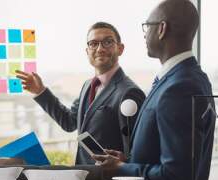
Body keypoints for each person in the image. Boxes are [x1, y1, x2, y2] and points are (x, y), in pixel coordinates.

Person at [91, 0, 215, 180]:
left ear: (162, 29)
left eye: (147, 26)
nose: (144, 34)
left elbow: (176, 179)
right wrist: (128, 161)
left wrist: (121, 169)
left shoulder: (179, 87)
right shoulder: (185, 77)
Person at [16, 22, 145, 165]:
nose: (100, 48)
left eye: (108, 42)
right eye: (93, 43)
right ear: (87, 51)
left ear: (120, 49)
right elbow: (69, 122)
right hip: (86, 177)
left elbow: (141, 149)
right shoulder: (88, 85)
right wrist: (40, 91)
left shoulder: (130, 92)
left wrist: (124, 161)